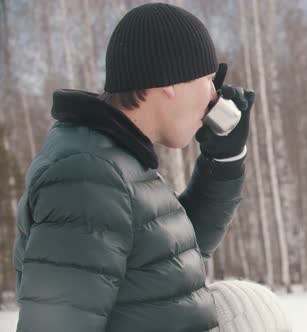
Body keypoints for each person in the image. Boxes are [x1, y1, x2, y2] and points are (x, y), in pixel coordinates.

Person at [13, 3, 290, 331]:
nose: (214, 96)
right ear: (170, 82)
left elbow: (167, 261)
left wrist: (224, 162)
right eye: (208, 79)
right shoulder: (87, 175)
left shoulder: (114, 162)